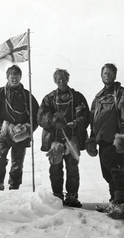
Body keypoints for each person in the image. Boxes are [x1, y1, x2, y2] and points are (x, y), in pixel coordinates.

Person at [88, 63, 124, 219]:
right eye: (105, 73)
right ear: (101, 75)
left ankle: (121, 205)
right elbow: (93, 119)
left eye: (110, 73)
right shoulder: (99, 96)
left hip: (116, 141)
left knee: (116, 171)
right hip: (102, 141)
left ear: (115, 75)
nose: (107, 75)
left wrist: (123, 135)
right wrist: (92, 138)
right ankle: (113, 202)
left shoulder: (122, 93)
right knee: (107, 173)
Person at [37, 68, 90, 207]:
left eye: (63, 78)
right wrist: (53, 120)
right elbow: (41, 116)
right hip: (55, 139)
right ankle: (57, 196)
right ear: (55, 81)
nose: (61, 81)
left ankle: (72, 196)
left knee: (72, 168)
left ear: (68, 79)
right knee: (55, 169)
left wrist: (77, 122)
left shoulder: (78, 97)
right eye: (58, 79)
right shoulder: (49, 98)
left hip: (72, 139)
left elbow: (86, 115)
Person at [0, 65, 39, 190]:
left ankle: (14, 186)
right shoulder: (0, 93)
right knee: (0, 158)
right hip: (3, 133)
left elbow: (36, 116)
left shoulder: (26, 95)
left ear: (21, 77)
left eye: (17, 77)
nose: (14, 80)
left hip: (20, 134)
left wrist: (27, 128)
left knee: (18, 161)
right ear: (7, 77)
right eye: (12, 77)